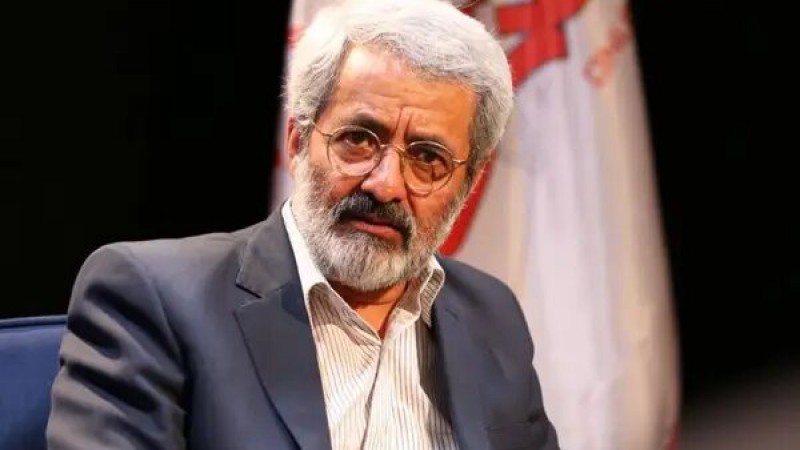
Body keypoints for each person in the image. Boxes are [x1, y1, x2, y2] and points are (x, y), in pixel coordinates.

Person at [46, 0, 560, 448]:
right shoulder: (156, 298)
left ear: (467, 183)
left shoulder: (491, 315)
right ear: (296, 140)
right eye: (359, 139)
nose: (385, 184)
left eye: (428, 157)